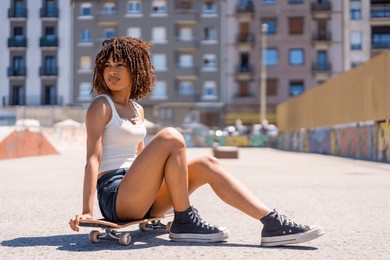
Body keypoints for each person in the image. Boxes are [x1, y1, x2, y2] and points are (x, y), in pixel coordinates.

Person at [69, 36, 324, 246]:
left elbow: (141, 158)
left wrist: (163, 182)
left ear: (135, 69)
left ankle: (271, 222)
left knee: (207, 163)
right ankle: (185, 219)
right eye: (107, 66)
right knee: (170, 135)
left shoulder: (137, 110)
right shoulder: (101, 107)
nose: (111, 72)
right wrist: (88, 211)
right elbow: (93, 158)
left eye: (119, 66)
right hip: (116, 196)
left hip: (140, 193)